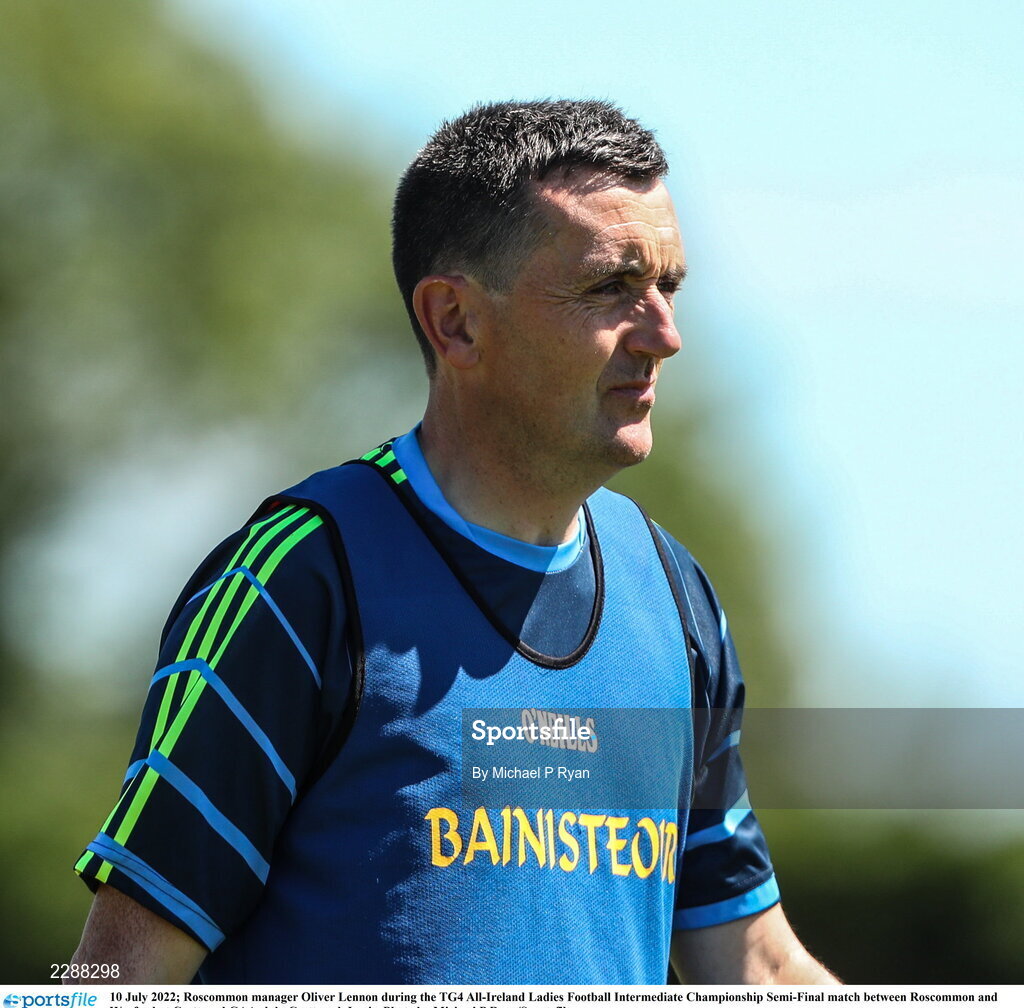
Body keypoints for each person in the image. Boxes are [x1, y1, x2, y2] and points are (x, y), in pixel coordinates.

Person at [68, 99, 837, 985]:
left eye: (668, 285)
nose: (664, 333)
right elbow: (114, 982)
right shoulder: (300, 583)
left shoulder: (675, 598)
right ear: (456, 322)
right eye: (610, 288)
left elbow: (754, 965)